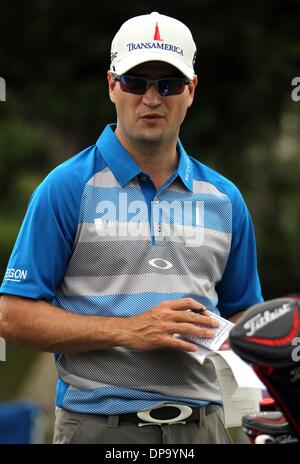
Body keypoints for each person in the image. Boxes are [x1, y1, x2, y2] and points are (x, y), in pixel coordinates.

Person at [0, 12, 263, 444]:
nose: (152, 98)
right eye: (136, 82)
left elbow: (242, 313)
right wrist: (130, 330)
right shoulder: (65, 188)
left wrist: (256, 343)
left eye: (169, 84)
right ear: (111, 85)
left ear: (191, 91)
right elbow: (13, 316)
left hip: (205, 429)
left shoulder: (226, 198)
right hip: (99, 429)